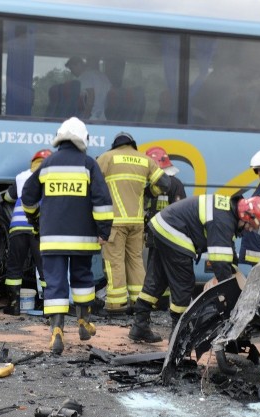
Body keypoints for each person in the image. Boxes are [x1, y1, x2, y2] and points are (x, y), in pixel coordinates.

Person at [21, 117, 113, 355]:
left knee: (55, 282)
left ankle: (57, 331)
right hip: (82, 239)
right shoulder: (88, 164)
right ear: (83, 139)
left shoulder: (48, 164)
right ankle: (83, 322)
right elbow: (101, 201)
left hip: (51, 238)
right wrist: (104, 231)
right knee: (83, 279)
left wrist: (34, 219)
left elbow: (28, 196)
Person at [129, 194, 260, 343]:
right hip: (174, 231)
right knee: (183, 284)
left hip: (161, 226)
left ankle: (140, 325)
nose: (249, 230)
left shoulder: (228, 214)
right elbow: (219, 260)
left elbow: (227, 251)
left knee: (157, 279)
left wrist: (233, 270)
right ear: (246, 216)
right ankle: (178, 336)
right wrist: (230, 293)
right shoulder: (223, 220)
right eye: (251, 226)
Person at [96, 133, 171, 314]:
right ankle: (141, 303)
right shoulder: (145, 160)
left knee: (115, 261)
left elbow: (92, 184)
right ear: (133, 145)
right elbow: (165, 183)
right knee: (135, 261)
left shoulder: (106, 158)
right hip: (137, 222)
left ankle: (116, 305)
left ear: (115, 145)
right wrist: (148, 192)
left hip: (114, 221)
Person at [2, 149, 51, 315]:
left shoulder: (21, 176)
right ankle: (47, 306)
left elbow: (8, 197)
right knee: (44, 267)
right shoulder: (50, 176)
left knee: (14, 267)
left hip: (18, 226)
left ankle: (14, 305)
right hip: (39, 227)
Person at [144, 146, 187, 310]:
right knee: (163, 270)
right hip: (168, 236)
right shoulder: (176, 184)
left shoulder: (166, 185)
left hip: (159, 235)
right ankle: (161, 302)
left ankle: (156, 302)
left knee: (155, 270)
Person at [65, 56, 111, 120]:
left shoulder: (85, 76)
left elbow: (90, 96)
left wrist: (85, 117)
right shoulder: (102, 75)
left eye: (72, 68)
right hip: (104, 116)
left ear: (79, 65)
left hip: (92, 117)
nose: (71, 72)